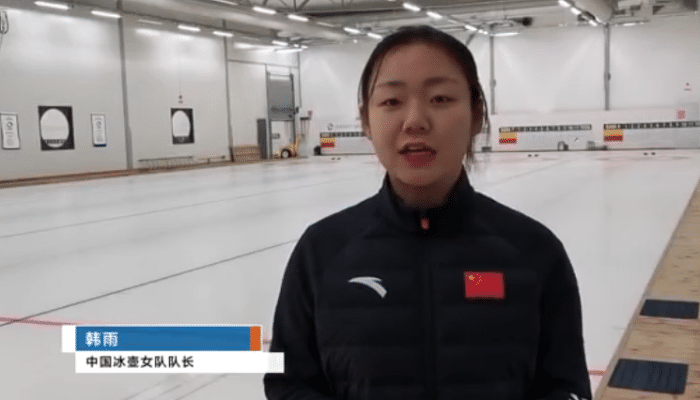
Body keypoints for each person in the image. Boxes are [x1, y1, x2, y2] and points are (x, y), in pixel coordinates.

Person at [264, 25, 591, 400]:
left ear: (477, 115)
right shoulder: (321, 251)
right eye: (392, 101)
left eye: (440, 98)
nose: (415, 120)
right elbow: (288, 383)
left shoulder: (534, 251)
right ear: (366, 121)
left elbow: (566, 387)